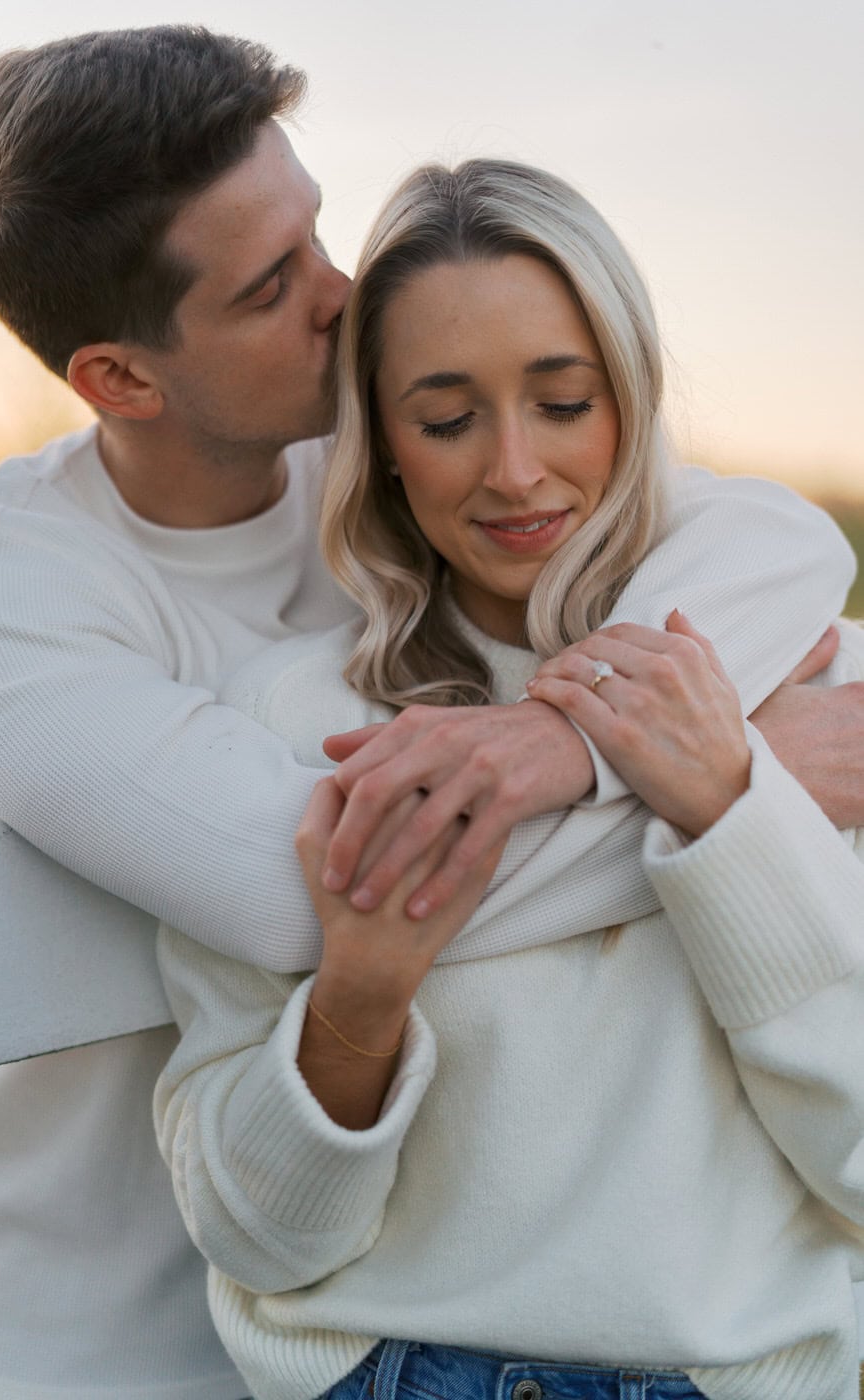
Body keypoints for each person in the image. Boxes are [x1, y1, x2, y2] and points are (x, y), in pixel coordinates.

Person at [0, 23, 861, 1400]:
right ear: (121, 378)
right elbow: (302, 890)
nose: (345, 291)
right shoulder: (6, 603)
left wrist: (571, 740)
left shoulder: (390, 467)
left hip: (389, 1307)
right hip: (99, 1345)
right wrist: (731, 795)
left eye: (314, 231)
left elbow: (768, 542)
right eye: (271, 287)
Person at [154, 159, 864, 1400]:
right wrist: (360, 999)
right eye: (445, 419)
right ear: (377, 451)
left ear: (632, 403)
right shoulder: (294, 720)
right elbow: (254, 1233)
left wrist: (729, 810)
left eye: (564, 400)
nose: (516, 472)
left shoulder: (815, 693)